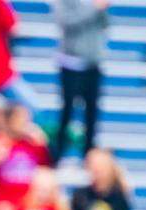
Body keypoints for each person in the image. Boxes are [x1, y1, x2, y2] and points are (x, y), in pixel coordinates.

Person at [52, 0, 108, 161]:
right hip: (71, 61)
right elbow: (67, 22)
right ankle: (60, 151)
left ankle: (89, 152)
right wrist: (93, 8)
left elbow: (104, 24)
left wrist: (101, 9)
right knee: (67, 110)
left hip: (92, 61)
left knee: (91, 110)